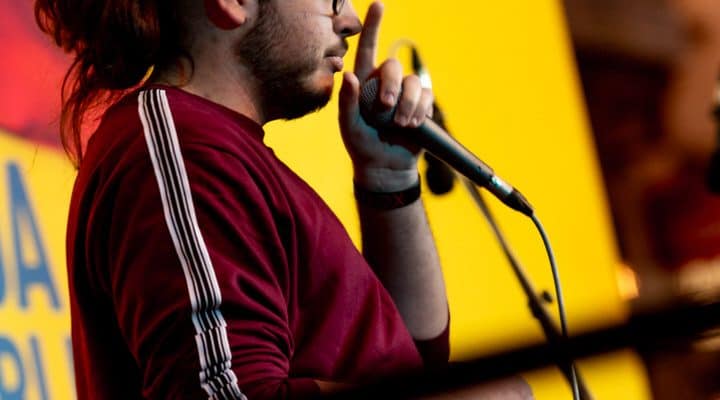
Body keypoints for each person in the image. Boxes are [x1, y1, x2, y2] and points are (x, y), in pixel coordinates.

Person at [35, 0, 454, 398]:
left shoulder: (215, 149)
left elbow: (413, 365)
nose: (350, 20)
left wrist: (389, 178)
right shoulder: (187, 151)